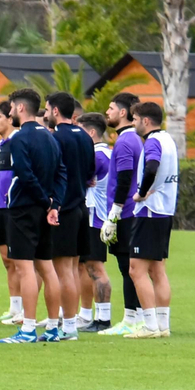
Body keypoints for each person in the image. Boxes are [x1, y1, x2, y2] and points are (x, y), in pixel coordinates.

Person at [0, 88, 66, 344]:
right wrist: (54, 204)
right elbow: (61, 172)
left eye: (11, 108)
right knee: (47, 267)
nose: (10, 113)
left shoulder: (19, 139)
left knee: (25, 268)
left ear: (20, 108)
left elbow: (25, 175)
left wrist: (46, 202)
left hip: (24, 209)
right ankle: (53, 328)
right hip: (44, 210)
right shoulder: (50, 136)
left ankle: (27, 329)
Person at [124, 102, 177, 339]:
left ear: (145, 121)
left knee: (136, 269)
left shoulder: (153, 141)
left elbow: (152, 166)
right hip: (165, 211)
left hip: (149, 211)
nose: (133, 123)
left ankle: (150, 325)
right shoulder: (169, 140)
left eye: (135, 119)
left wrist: (141, 192)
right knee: (157, 269)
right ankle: (163, 325)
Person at [45, 92, 96, 340]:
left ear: (55, 111)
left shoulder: (55, 138)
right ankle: (70, 324)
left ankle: (67, 327)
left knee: (63, 271)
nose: (45, 113)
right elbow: (91, 175)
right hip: (81, 208)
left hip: (63, 210)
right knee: (73, 269)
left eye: (47, 109)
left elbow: (52, 174)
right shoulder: (86, 137)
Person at [98, 93, 144, 335]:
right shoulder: (135, 139)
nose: (107, 112)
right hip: (131, 212)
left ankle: (130, 318)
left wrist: (113, 215)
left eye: (111, 108)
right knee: (132, 268)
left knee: (128, 268)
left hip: (126, 213)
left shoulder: (125, 141)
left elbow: (125, 179)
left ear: (123, 113)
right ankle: (139, 317)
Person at [78, 112, 115, 332]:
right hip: (98, 216)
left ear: (91, 132)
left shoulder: (96, 156)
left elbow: (77, 179)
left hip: (95, 217)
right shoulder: (106, 153)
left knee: (95, 268)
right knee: (89, 266)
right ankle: (97, 317)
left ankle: (103, 319)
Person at [0, 101, 24, 325]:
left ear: (10, 118)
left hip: (14, 208)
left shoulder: (18, 141)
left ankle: (25, 311)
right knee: (7, 260)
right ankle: (14, 308)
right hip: (0, 208)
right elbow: (1, 174)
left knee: (19, 260)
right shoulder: (2, 144)